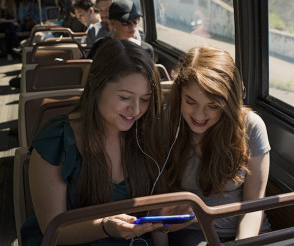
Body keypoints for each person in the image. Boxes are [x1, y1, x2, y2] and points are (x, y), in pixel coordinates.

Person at [21, 38, 169, 246]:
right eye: (125, 97)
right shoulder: (56, 142)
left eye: (145, 99)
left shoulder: (144, 133)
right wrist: (105, 227)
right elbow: (54, 230)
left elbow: (154, 210)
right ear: (96, 87)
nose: (136, 110)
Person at [165, 46, 271, 245]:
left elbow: (254, 206)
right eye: (191, 102)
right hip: (194, 232)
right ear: (180, 94)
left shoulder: (251, 127)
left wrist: (242, 243)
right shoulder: (168, 127)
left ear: (228, 104)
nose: (199, 115)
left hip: (249, 232)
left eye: (213, 106)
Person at [87, 0, 153, 59]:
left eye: (135, 20)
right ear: (113, 23)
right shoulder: (100, 47)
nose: (132, 26)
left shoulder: (146, 49)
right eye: (126, 22)